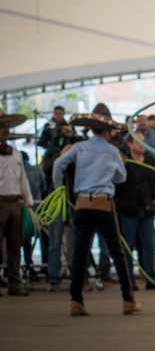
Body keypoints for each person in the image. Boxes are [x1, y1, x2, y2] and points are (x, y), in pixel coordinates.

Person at [52, 104, 141, 316]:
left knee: (80, 252)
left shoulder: (80, 147)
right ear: (108, 130)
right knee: (117, 252)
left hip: (82, 203)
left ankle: (76, 301)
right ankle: (128, 300)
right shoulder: (112, 151)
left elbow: (58, 166)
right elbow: (122, 177)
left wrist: (60, 190)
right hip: (103, 203)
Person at [116, 132, 155, 289]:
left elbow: (153, 181)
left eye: (143, 141)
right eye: (138, 141)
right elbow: (119, 185)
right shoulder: (124, 162)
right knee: (128, 245)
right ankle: (129, 281)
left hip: (146, 209)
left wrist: (154, 198)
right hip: (129, 209)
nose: (142, 144)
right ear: (130, 144)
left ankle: (151, 279)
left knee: (149, 245)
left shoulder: (149, 160)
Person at [0, 108, 34, 296]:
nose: (5, 129)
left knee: (15, 245)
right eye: (2, 126)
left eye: (7, 126)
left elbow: (23, 180)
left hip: (15, 203)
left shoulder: (15, 153)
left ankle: (15, 282)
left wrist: (28, 202)